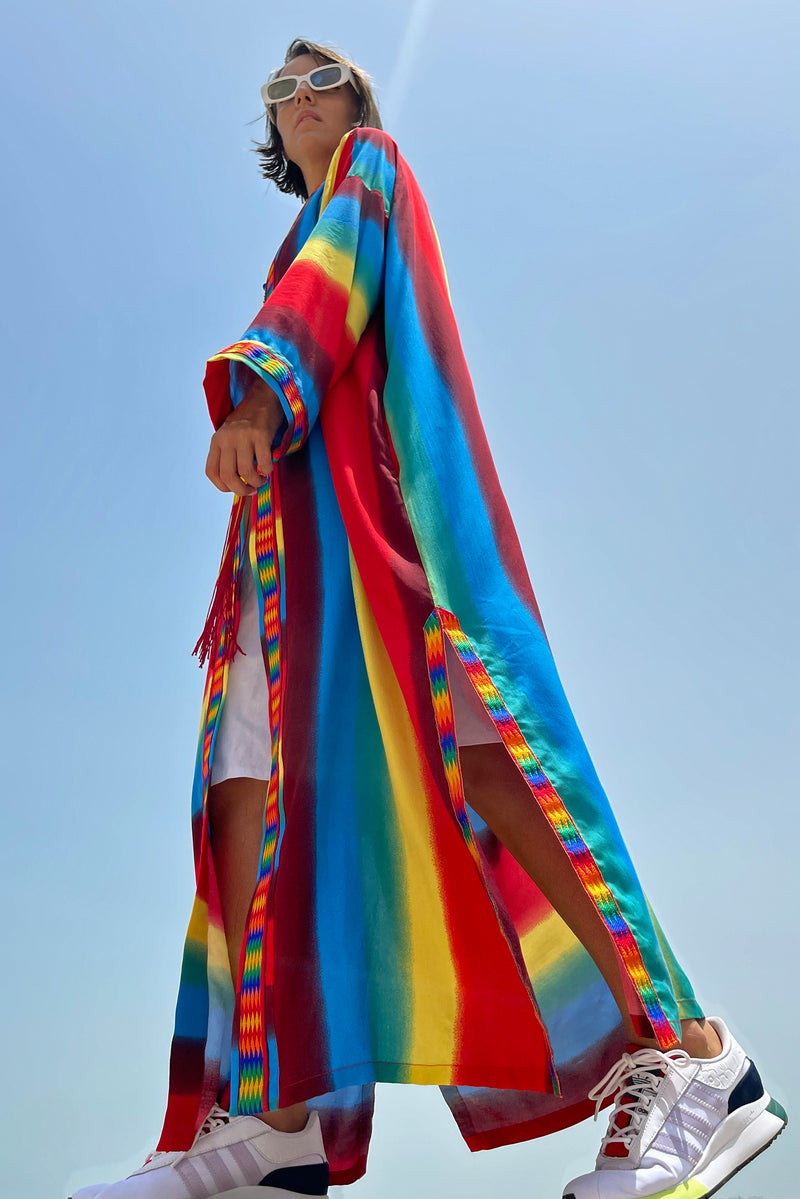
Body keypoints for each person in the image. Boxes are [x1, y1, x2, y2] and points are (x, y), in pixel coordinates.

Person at [70, 38, 786, 1199]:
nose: (303, 98)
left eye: (321, 79)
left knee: (491, 761)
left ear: (355, 97)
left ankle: (695, 1053)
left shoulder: (371, 169)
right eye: (281, 89)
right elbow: (308, 285)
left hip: (385, 541)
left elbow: (328, 297)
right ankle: (274, 1117)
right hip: (281, 565)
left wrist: (256, 393)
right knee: (245, 792)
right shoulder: (286, 242)